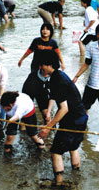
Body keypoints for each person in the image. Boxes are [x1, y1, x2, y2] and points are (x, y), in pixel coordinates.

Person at [38, 50, 88, 186]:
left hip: (71, 121)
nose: (40, 67)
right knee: (73, 147)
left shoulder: (57, 80)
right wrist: (48, 112)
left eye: (41, 65)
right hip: (82, 117)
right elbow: (56, 97)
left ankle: (59, 184)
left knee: (56, 151)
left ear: (48, 65)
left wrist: (48, 128)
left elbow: (64, 108)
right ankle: (77, 179)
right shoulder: (60, 76)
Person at [18, 23, 65, 125]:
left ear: (50, 31)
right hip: (36, 68)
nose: (45, 31)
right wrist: (21, 59)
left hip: (47, 69)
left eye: (47, 29)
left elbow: (58, 53)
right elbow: (29, 51)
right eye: (43, 29)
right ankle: (26, 119)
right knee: (34, 85)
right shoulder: (36, 41)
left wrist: (62, 63)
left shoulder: (53, 43)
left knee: (45, 87)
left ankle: (45, 114)